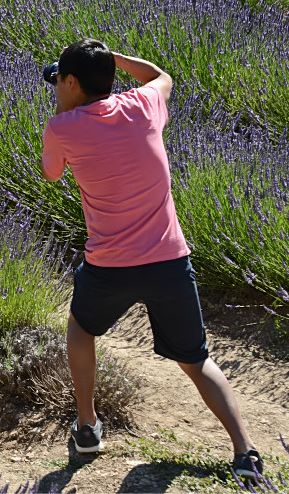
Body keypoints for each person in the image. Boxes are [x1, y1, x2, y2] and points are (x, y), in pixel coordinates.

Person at [39, 38, 262, 479]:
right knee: (196, 358)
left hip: (109, 265)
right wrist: (113, 60)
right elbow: (163, 77)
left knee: (81, 328)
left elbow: (51, 173)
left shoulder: (61, 128)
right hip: (168, 261)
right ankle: (245, 452)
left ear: (70, 82)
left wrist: (68, 117)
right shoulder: (142, 105)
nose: (55, 92)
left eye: (58, 83)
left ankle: (87, 427)